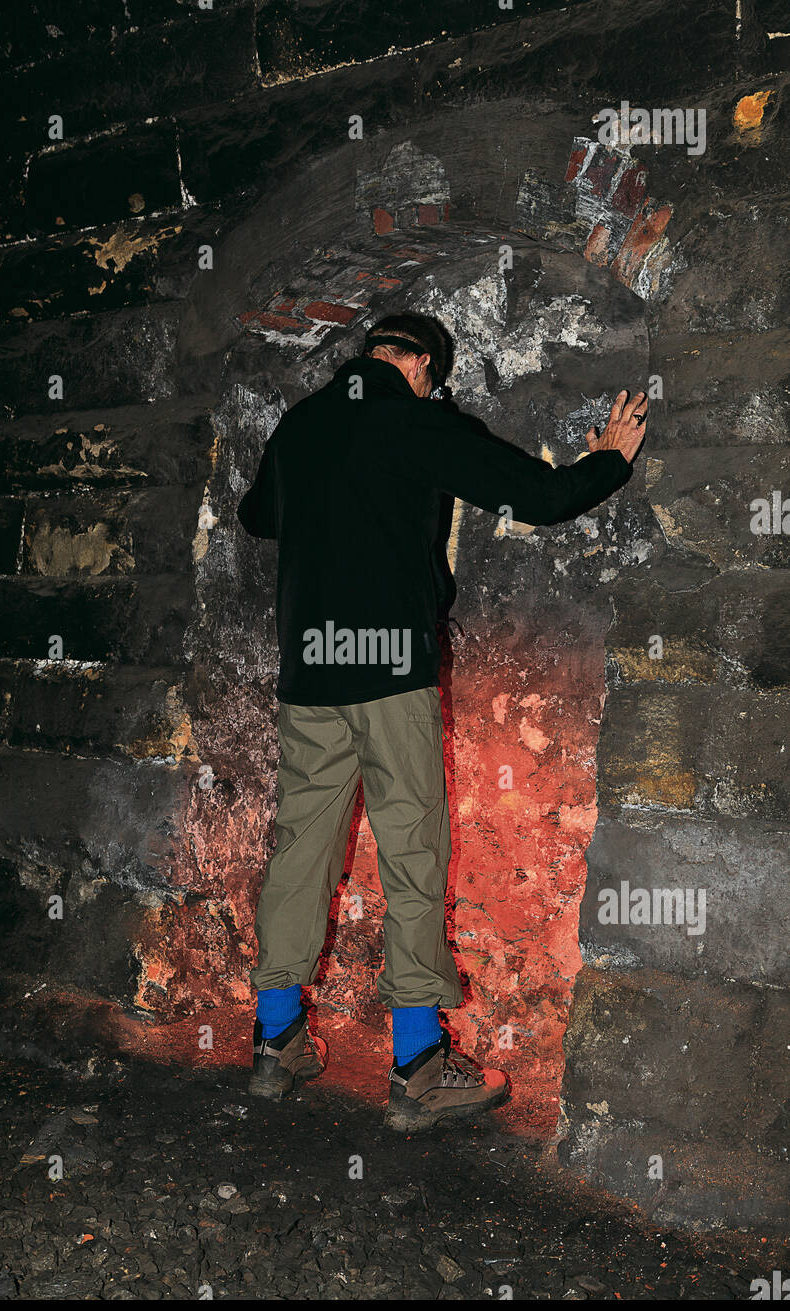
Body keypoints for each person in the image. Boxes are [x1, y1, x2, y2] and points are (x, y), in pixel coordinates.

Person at [237, 312, 647, 1130]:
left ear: (374, 355)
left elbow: (257, 518)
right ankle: (419, 1066)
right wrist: (608, 460)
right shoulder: (417, 419)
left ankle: (275, 1042)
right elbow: (538, 494)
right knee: (412, 851)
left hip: (309, 670)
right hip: (388, 671)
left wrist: (335, 504)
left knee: (300, 846)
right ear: (423, 365)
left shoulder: (302, 424)